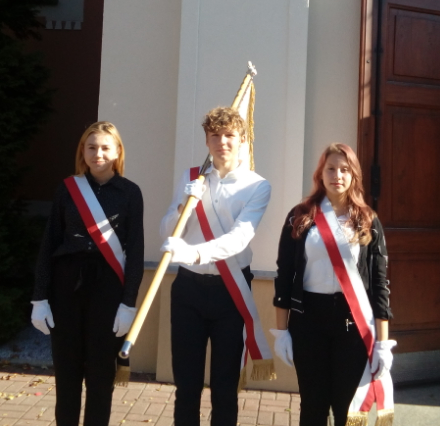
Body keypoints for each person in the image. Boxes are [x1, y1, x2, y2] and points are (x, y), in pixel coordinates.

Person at [159, 106, 272, 426]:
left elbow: (239, 239)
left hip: (230, 291)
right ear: (207, 141)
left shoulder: (257, 186)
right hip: (189, 289)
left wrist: (193, 253)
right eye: (215, 135)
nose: (222, 142)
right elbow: (166, 232)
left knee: (224, 387)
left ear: (243, 140)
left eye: (229, 135)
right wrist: (182, 206)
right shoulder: (190, 177)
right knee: (186, 386)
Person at [272, 143, 395, 426]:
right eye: (330, 168)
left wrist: (383, 343)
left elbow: (380, 285)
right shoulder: (299, 215)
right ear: (320, 173)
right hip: (308, 322)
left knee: (347, 411)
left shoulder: (368, 221)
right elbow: (284, 275)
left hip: (352, 325)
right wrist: (281, 332)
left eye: (344, 169)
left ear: (354, 175)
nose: (337, 175)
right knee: (313, 407)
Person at [31, 121, 144, 426]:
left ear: (117, 152)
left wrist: (129, 302)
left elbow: (135, 252)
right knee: (67, 373)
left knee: (101, 375)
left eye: (105, 147)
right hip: (66, 285)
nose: (98, 154)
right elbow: (49, 243)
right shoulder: (67, 189)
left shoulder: (130, 193)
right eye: (91, 147)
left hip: (108, 287)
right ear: (83, 151)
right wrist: (40, 297)